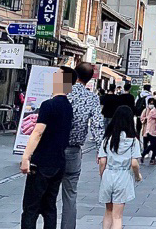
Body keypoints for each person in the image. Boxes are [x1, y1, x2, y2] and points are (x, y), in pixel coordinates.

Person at [21, 68, 76, 229]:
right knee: (49, 207)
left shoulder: (48, 105)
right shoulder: (68, 106)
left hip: (41, 162)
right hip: (59, 162)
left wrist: (26, 157)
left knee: (30, 208)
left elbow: (38, 132)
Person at [63, 63, 106, 229]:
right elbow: (97, 125)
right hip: (74, 150)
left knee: (49, 193)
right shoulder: (93, 98)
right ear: (90, 79)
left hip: (55, 148)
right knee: (70, 194)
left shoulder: (63, 91)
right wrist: (100, 150)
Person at [97, 106, 141, 229]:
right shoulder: (133, 141)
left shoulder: (107, 139)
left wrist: (103, 175)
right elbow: (134, 163)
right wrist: (137, 176)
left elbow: (102, 161)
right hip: (123, 176)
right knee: (117, 216)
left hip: (108, 174)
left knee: (108, 212)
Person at [139, 97, 156, 164]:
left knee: (155, 145)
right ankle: (144, 155)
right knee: (149, 144)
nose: (151, 105)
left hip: (154, 130)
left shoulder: (155, 110)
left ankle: (152, 158)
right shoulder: (145, 110)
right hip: (147, 130)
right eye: (150, 103)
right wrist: (146, 119)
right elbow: (141, 118)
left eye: (152, 103)